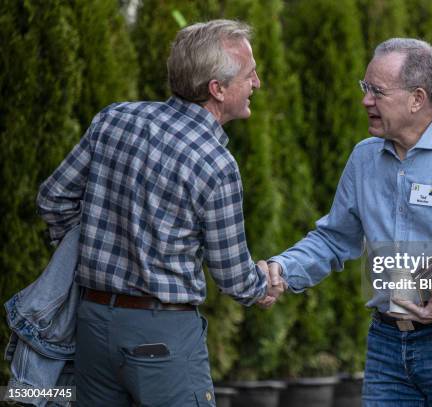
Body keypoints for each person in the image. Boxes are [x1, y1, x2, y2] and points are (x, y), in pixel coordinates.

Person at [268, 38, 432, 406]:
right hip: (386, 347)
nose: (365, 101)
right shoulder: (363, 159)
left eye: (377, 91)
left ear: (417, 99)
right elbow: (332, 239)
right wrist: (282, 268)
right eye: (365, 88)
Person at [37, 20, 284, 407]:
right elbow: (233, 274)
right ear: (217, 90)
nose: (257, 84)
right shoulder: (216, 164)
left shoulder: (114, 119)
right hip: (162, 336)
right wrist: (262, 287)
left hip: (92, 324)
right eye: (250, 75)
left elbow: (53, 198)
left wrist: (86, 253)